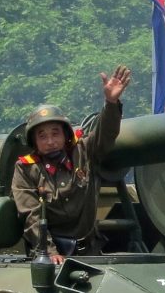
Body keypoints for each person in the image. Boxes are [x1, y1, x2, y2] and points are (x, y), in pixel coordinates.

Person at [12, 65, 131, 264]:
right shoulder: (26, 169)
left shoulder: (83, 151)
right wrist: (49, 251)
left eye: (55, 133)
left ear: (66, 134)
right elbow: (30, 215)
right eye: (42, 136)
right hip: (51, 255)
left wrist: (111, 103)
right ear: (34, 141)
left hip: (90, 250)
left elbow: (106, 134)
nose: (50, 141)